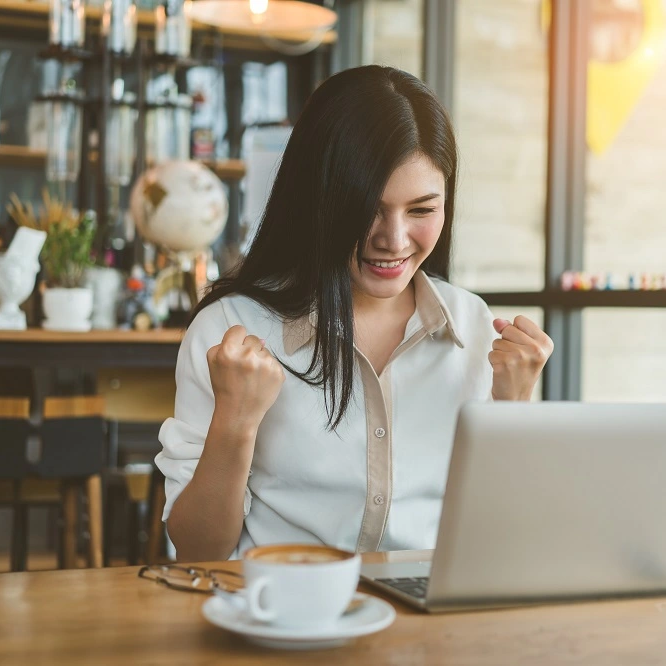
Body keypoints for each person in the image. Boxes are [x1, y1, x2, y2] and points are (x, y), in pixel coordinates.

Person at [156, 66, 554, 562]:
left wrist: (514, 410)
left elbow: (504, 539)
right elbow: (198, 548)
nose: (393, 239)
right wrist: (235, 421)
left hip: (429, 623)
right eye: (368, 207)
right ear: (319, 200)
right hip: (283, 613)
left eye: (422, 210)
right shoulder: (229, 331)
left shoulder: (475, 329)